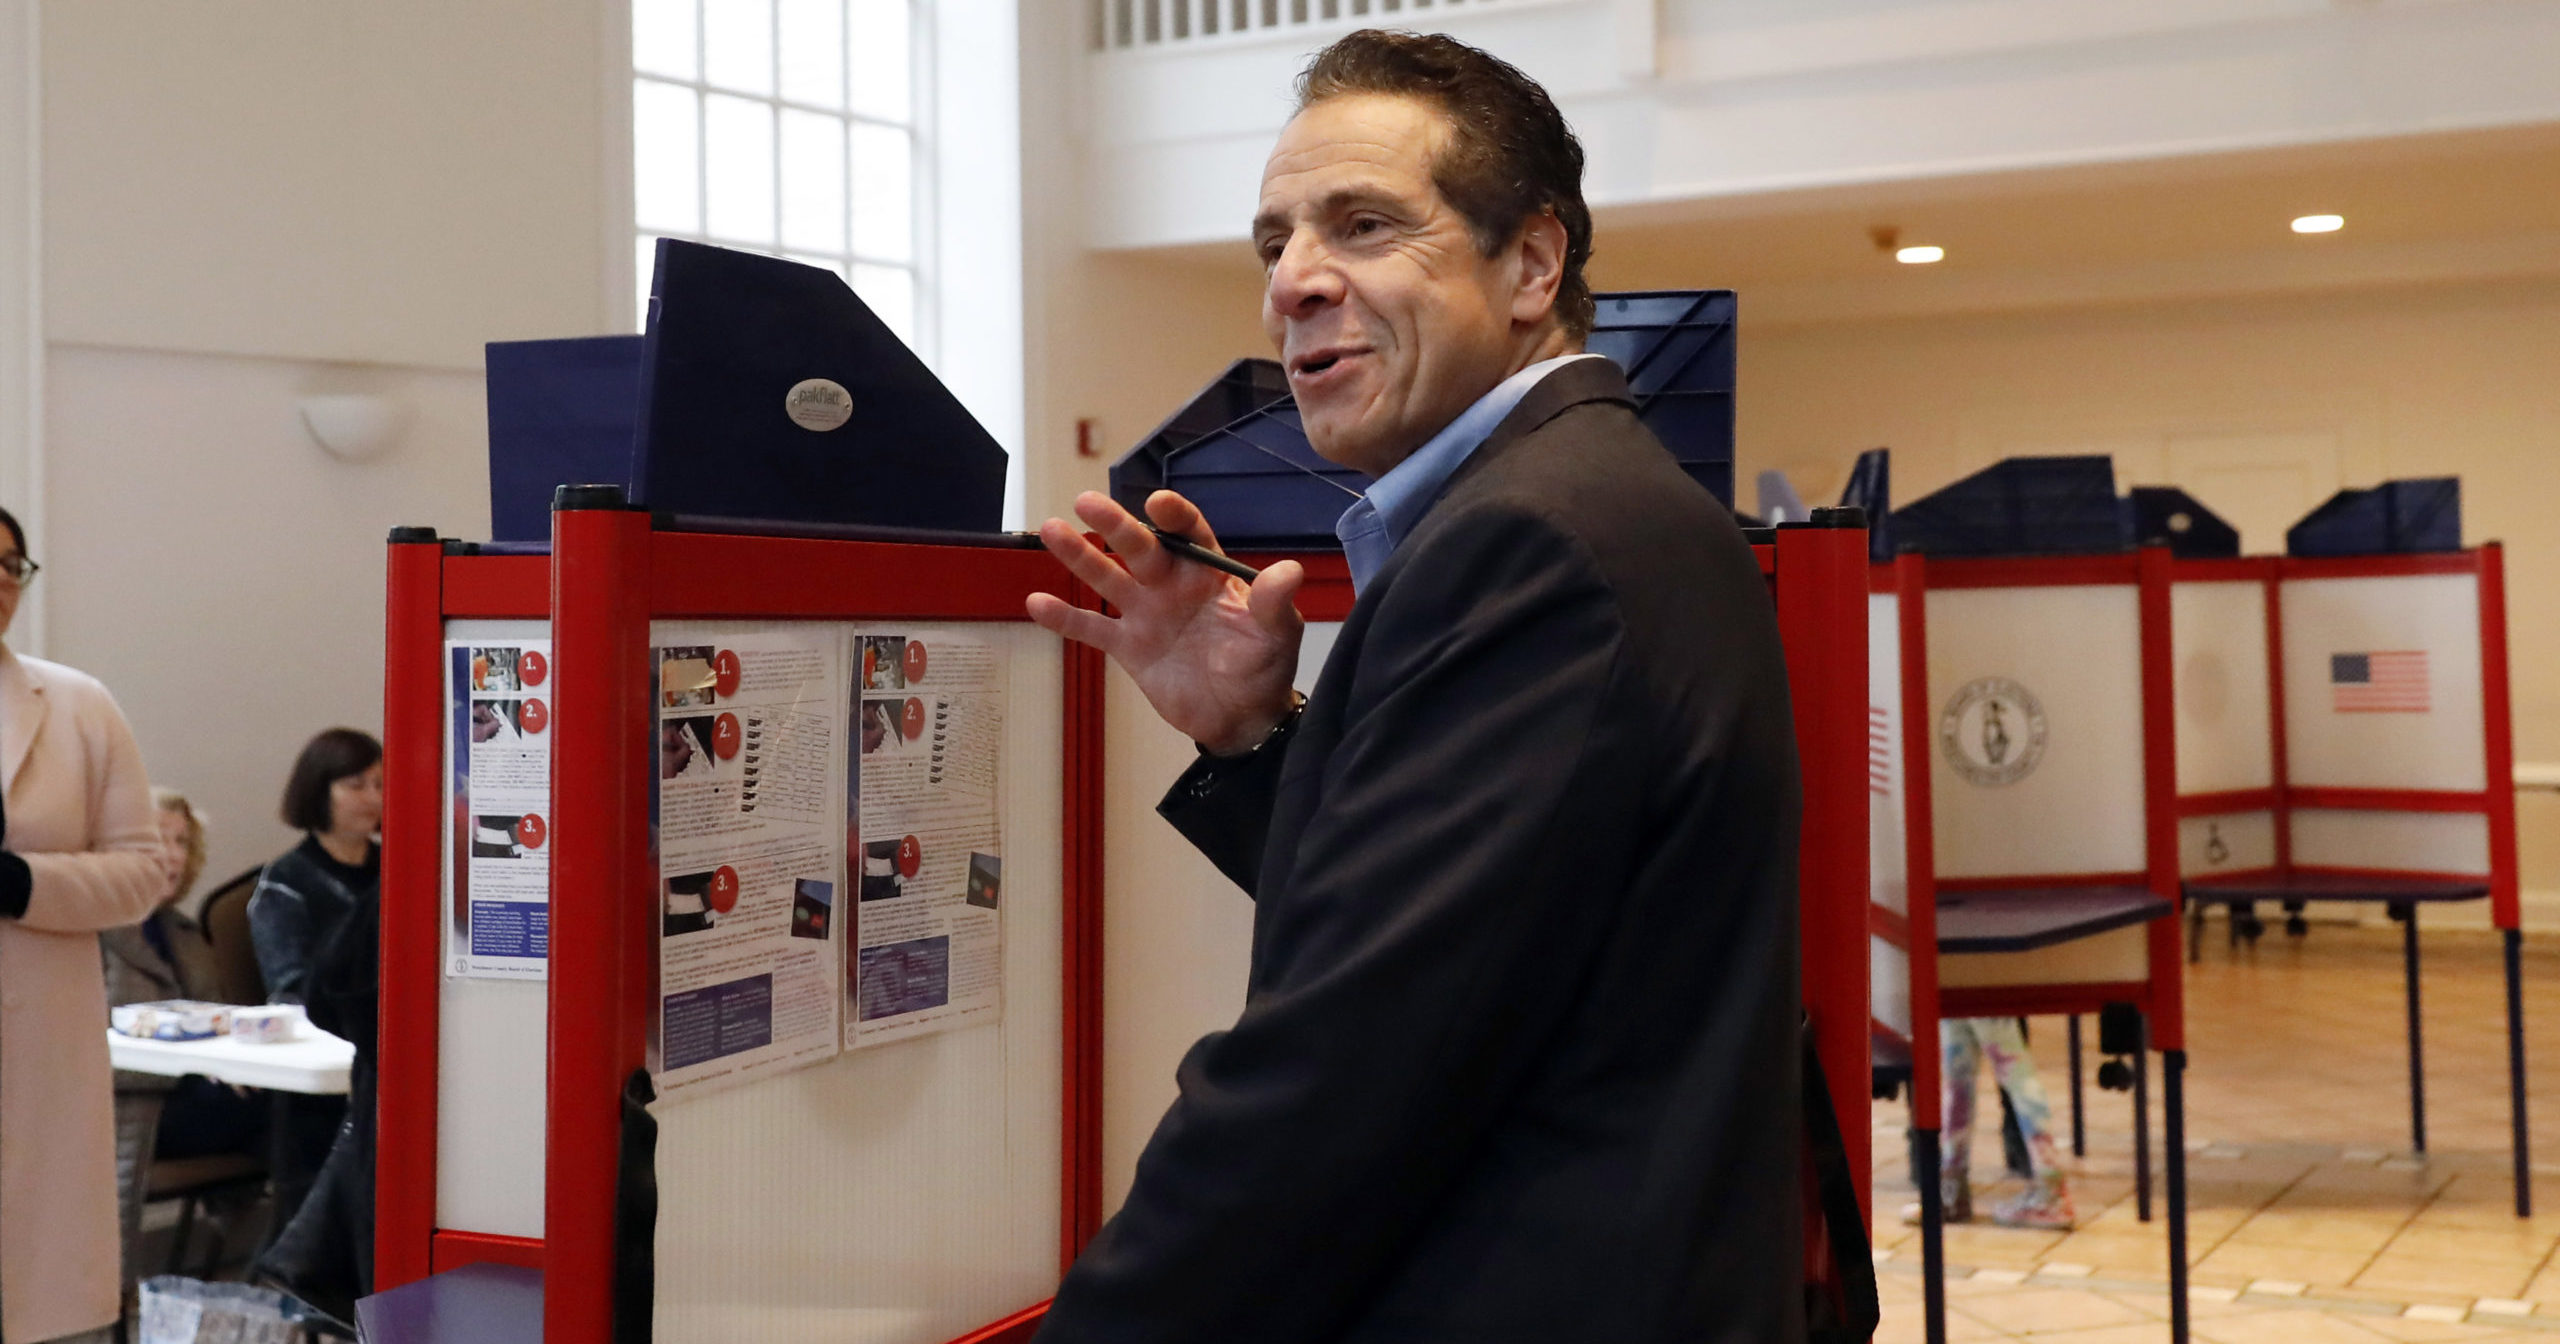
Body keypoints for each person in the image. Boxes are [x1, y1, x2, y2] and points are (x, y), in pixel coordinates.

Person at [1024, 32, 1804, 1342]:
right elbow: (1480, 946)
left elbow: (1337, 1083)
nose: (1294, 283)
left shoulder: (1532, 544)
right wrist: (1259, 734)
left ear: (1532, 264)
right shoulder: (1585, 505)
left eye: (1365, 225)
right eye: (1273, 242)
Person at [0, 504, 171, 1344]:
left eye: (10, 565)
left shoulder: (77, 705)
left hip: (31, 1034)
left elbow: (144, 870)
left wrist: (23, 882)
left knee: (29, 1283)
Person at [247, 727, 382, 1248]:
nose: (374, 798)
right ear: (318, 791)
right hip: (325, 1054)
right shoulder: (286, 882)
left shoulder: (400, 869)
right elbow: (289, 986)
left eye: (380, 783)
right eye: (356, 785)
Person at [1934, 1017, 2076, 1229]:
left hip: (1976, 987)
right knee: (1958, 1076)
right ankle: (1951, 1192)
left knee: (2012, 1071)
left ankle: (2051, 1190)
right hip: (1955, 985)